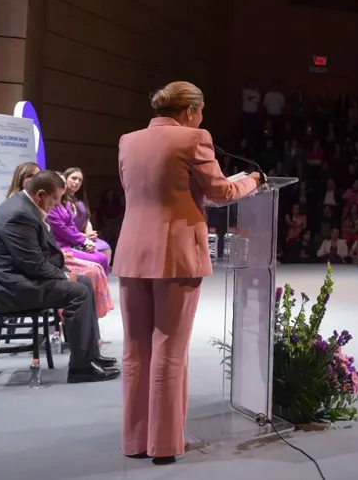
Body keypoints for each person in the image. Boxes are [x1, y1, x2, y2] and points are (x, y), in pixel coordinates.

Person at [115, 81, 261, 465]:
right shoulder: (195, 138)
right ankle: (163, 445)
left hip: (132, 251)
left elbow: (148, 192)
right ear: (191, 111)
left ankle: (134, 441)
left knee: (135, 351)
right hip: (176, 253)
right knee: (169, 349)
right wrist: (253, 180)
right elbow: (221, 192)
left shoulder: (128, 140)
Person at [0, 170, 118, 383]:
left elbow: (37, 256)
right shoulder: (19, 215)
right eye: (54, 200)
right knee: (78, 291)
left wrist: (63, 273)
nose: (56, 205)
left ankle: (90, 356)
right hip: (9, 288)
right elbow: (33, 263)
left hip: (19, 278)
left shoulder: (24, 207)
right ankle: (81, 368)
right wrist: (62, 276)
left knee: (84, 282)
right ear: (40, 195)